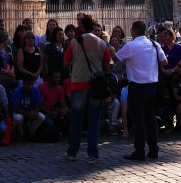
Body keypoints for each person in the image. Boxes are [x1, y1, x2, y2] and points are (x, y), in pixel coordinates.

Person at [115, 20, 167, 161]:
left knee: (139, 120)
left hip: (137, 86)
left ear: (133, 31)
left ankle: (139, 150)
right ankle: (153, 149)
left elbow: (116, 58)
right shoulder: (154, 44)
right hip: (152, 86)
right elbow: (164, 62)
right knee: (151, 118)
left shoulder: (131, 46)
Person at [64, 14, 111, 164]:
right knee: (94, 120)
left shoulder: (74, 43)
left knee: (76, 120)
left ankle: (72, 152)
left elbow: (65, 62)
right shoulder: (102, 43)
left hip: (78, 83)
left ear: (82, 27)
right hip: (95, 86)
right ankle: (92, 154)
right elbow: (107, 66)